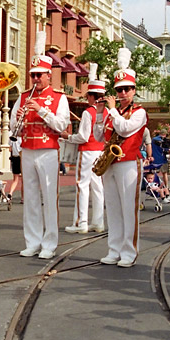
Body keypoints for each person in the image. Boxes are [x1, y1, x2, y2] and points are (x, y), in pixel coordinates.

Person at [10, 30, 69, 259]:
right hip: (28, 150)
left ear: (48, 76)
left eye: (39, 75)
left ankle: (50, 243)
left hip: (48, 151)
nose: (35, 79)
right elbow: (14, 121)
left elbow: (61, 124)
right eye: (33, 75)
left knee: (48, 197)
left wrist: (41, 110)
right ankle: (32, 241)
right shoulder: (24, 96)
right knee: (31, 198)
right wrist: (21, 118)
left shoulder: (59, 97)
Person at [94, 47, 147, 267]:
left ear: (134, 90)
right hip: (111, 163)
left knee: (128, 208)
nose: (122, 93)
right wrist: (99, 113)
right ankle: (114, 249)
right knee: (113, 208)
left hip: (128, 162)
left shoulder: (139, 111)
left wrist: (112, 111)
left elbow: (125, 129)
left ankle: (129, 251)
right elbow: (98, 135)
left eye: (126, 89)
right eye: (119, 90)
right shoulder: (109, 112)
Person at [63, 66, 106, 234]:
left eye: (88, 95)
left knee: (82, 185)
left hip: (88, 151)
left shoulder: (89, 112)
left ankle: (81, 222)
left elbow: (83, 136)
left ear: (91, 96)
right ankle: (98, 221)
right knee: (97, 186)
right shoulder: (108, 111)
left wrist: (67, 137)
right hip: (101, 151)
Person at [6, 136, 23, 203]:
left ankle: (10, 193)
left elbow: (10, 149)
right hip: (21, 158)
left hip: (14, 158)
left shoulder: (11, 138)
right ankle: (23, 198)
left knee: (15, 179)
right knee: (23, 180)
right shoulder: (22, 138)